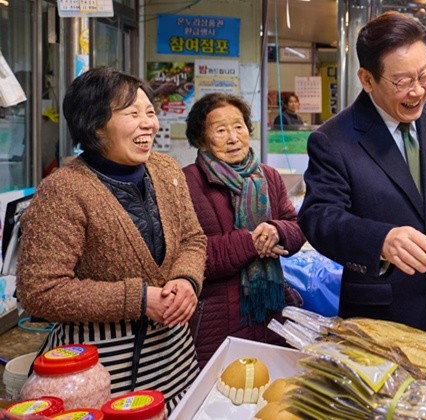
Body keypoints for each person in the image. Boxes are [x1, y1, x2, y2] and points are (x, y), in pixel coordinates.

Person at [15, 67, 206, 412]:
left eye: (150, 112)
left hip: (174, 360)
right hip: (95, 373)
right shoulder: (64, 190)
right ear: (95, 124)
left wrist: (186, 279)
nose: (148, 123)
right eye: (132, 113)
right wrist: (139, 299)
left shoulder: (167, 171)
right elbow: (39, 291)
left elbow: (193, 239)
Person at [298, 11, 426, 347]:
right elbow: (318, 217)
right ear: (367, 79)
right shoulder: (334, 139)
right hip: (382, 319)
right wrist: (380, 240)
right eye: (402, 82)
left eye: (425, 75)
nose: (418, 91)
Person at [183, 93, 305, 368]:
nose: (233, 137)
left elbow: (297, 226)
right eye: (221, 130)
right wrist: (251, 243)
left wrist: (277, 231)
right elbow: (189, 254)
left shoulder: (268, 176)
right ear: (202, 139)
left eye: (238, 126)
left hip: (271, 312)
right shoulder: (187, 181)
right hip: (216, 320)